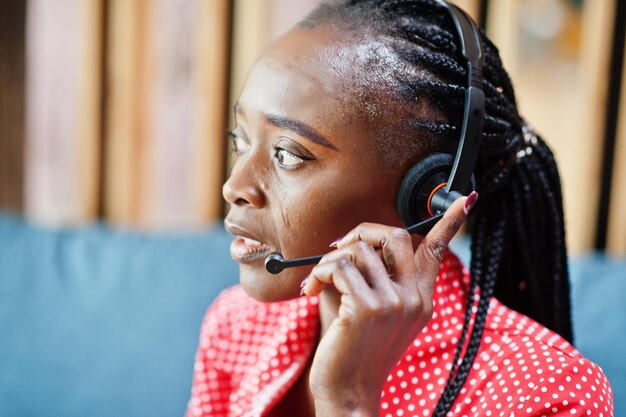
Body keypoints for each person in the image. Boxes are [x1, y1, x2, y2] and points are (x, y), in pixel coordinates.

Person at [185, 1, 613, 416]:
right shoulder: (237, 322)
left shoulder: (549, 394)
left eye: (288, 154)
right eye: (239, 140)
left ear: (427, 193)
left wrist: (348, 401)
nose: (234, 186)